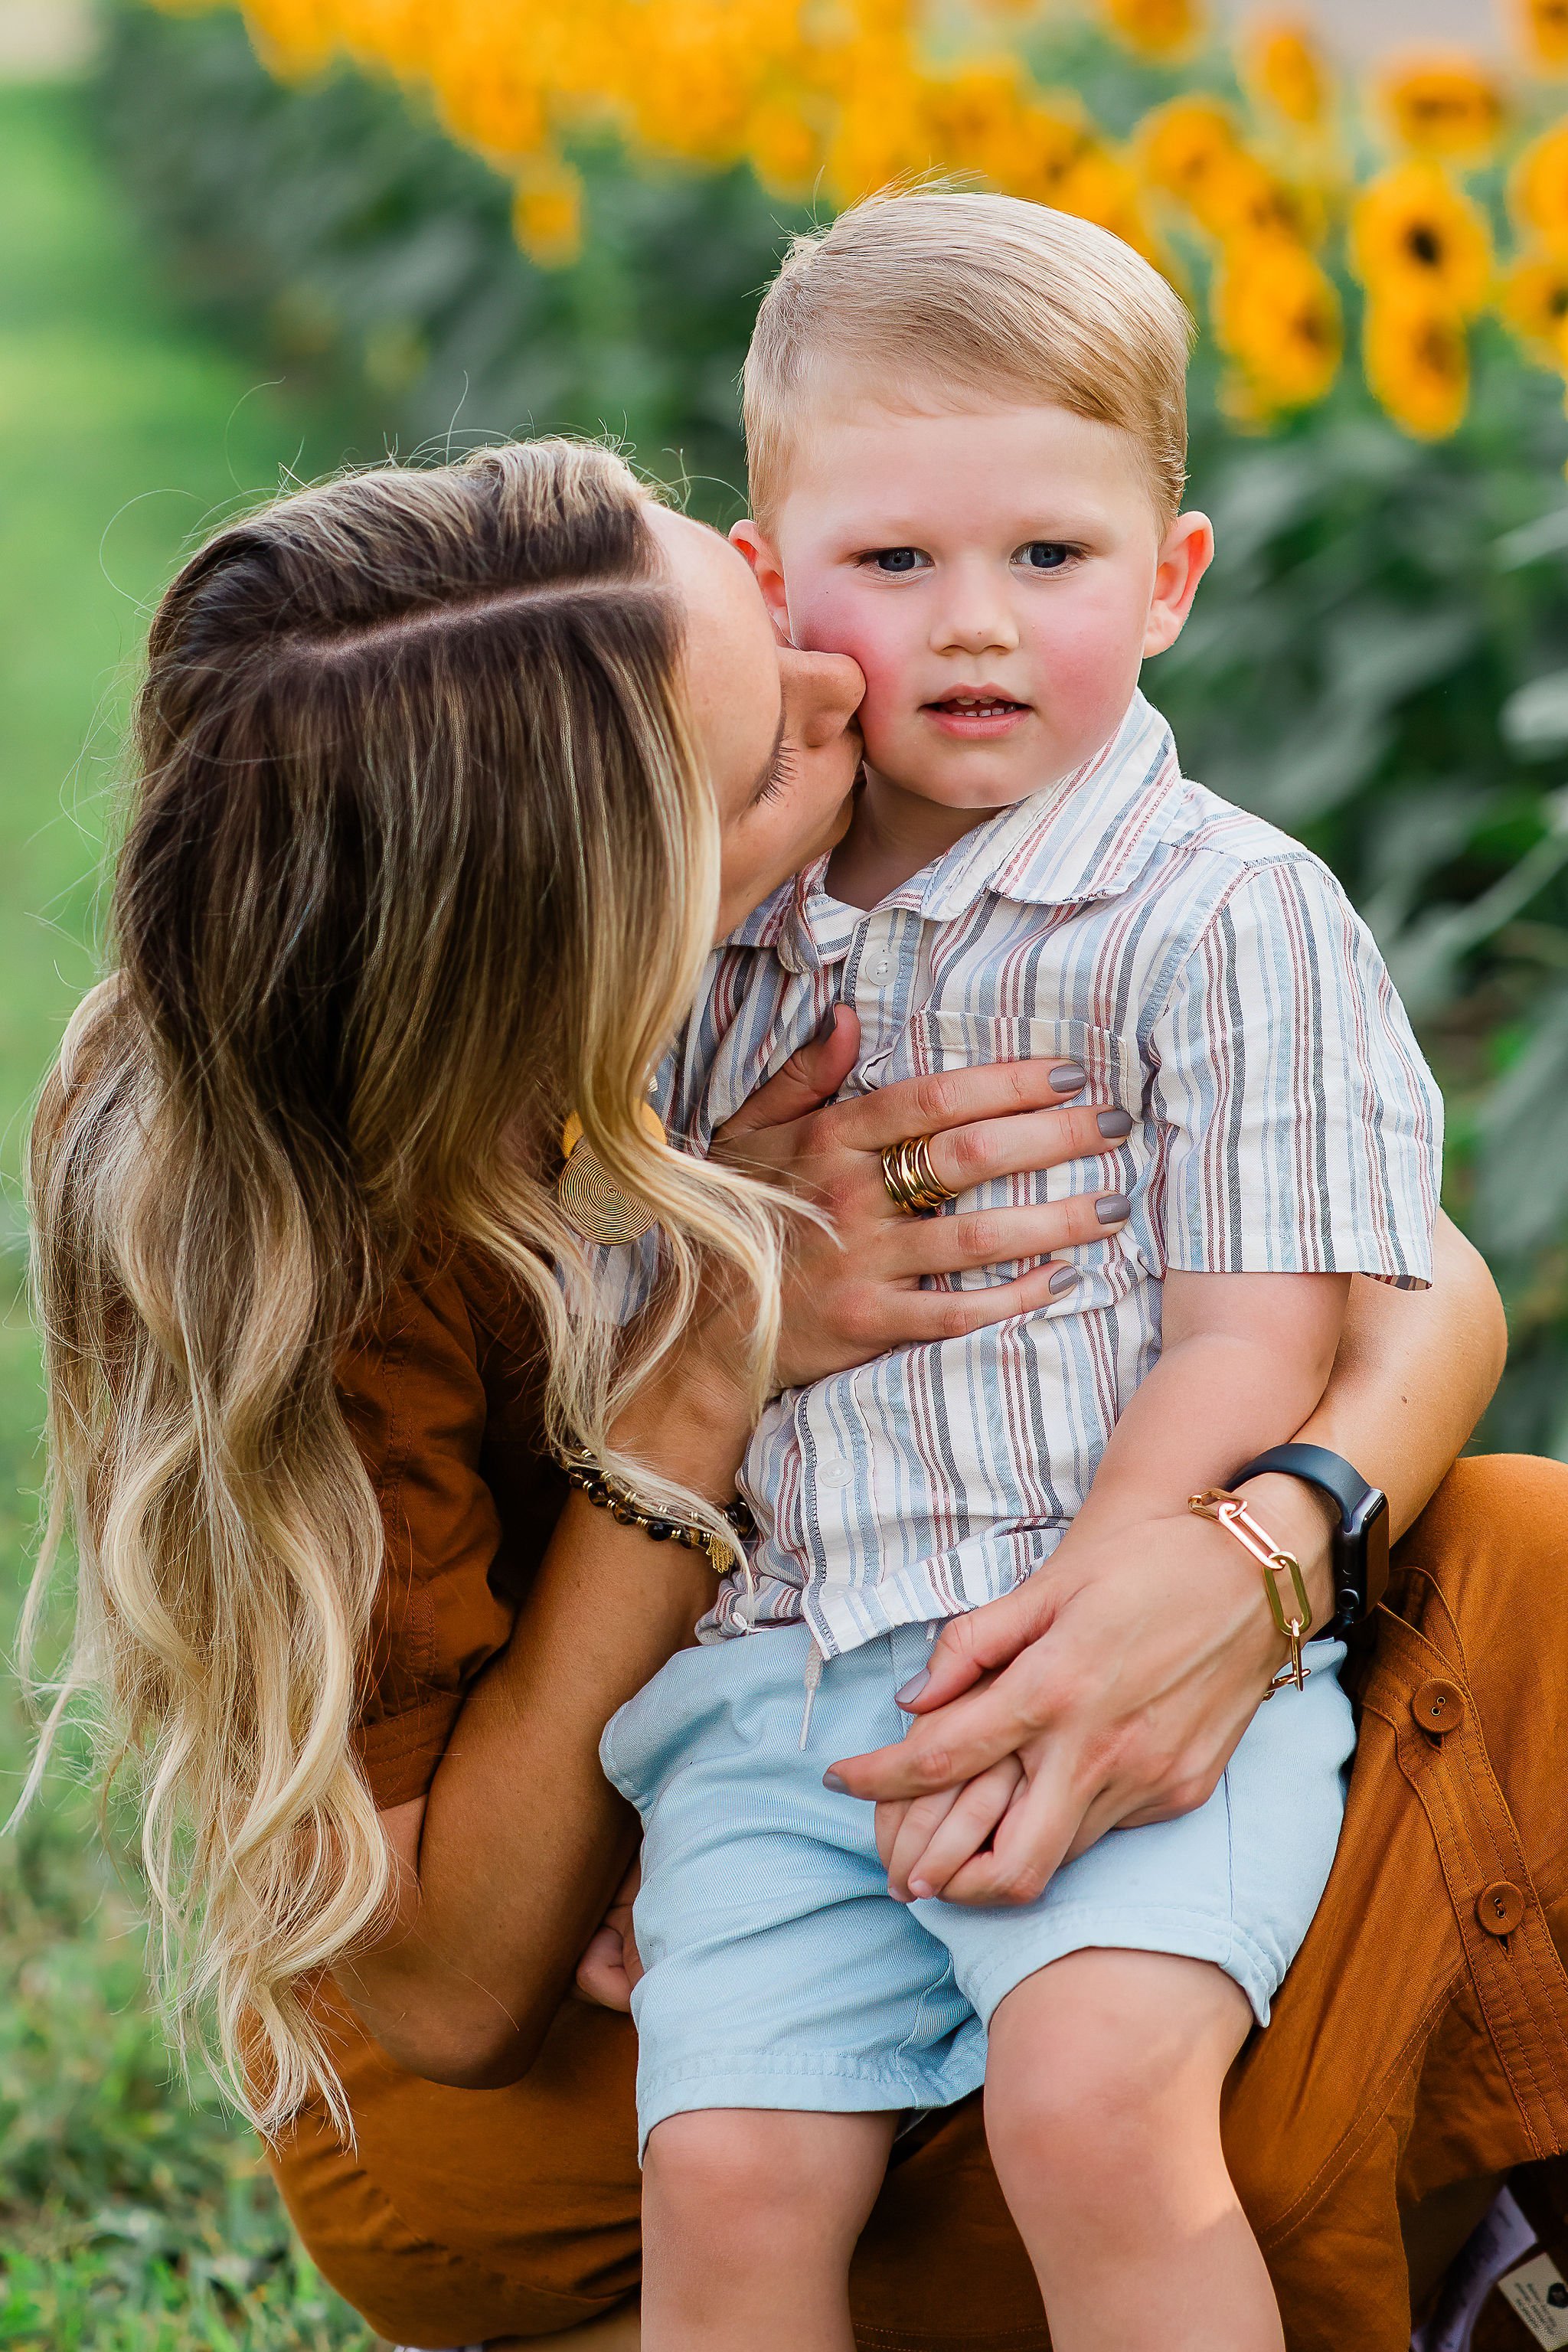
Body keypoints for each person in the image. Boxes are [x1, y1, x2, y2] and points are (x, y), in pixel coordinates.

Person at [17, 431, 1538, 2352]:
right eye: (766, 756)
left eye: (762, 621)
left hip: (1044, 1776)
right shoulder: (274, 1227)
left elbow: (1408, 1275)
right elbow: (459, 1989)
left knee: (1521, 1564)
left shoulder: (875, 904)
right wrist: (712, 1366)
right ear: (596, 927)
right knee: (724, 2163)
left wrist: (1252, 1554)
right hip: (649, 1993)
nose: (850, 686)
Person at [589, 191, 1439, 2352]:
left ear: (1169, 578)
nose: (974, 623)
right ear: (771, 589)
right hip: (776, 1702)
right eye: (897, 564)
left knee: (1096, 2105)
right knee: (728, 2172)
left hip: (1124, 1652)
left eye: (1048, 559)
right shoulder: (716, 937)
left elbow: (1269, 1329)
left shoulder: (1221, 913)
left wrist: (1096, 1632)